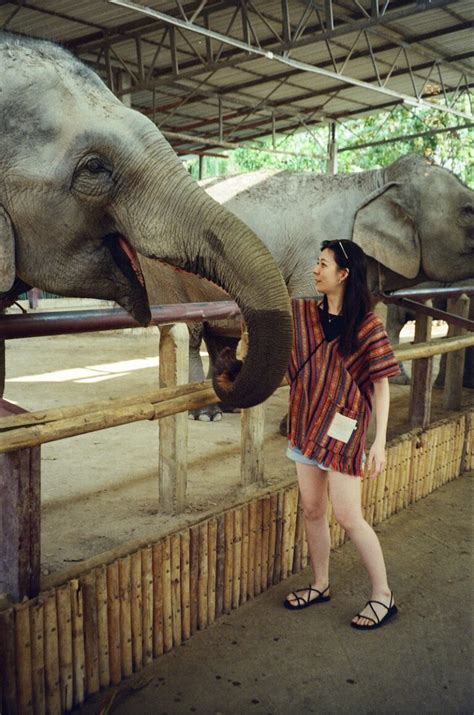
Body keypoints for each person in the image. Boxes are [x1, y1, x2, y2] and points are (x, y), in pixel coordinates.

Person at [284, 239, 401, 630]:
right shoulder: (302, 314)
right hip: (305, 426)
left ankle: (383, 595)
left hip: (345, 432)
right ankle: (320, 584)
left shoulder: (367, 325)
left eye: (322, 264)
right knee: (313, 510)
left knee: (350, 517)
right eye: (316, 263)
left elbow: (381, 386)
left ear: (344, 274)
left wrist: (379, 442)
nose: (315, 271)